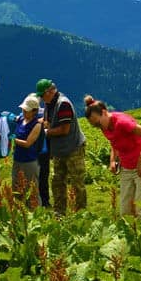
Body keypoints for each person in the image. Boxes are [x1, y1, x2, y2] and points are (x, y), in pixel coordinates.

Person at [85, 96, 141, 218]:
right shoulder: (105, 127)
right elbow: (114, 142)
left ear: (104, 112)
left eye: (97, 122)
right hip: (126, 168)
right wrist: (112, 160)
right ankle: (131, 235)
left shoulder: (122, 122)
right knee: (125, 211)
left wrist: (140, 162)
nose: (98, 127)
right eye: (94, 125)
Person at [35, 78, 87, 214]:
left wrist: (46, 132)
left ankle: (81, 213)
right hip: (59, 150)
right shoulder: (49, 103)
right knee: (57, 181)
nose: (40, 98)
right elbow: (47, 121)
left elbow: (65, 130)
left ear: (49, 92)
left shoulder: (63, 104)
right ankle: (59, 212)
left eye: (42, 95)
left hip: (73, 148)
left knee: (77, 183)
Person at [12, 94, 44, 206]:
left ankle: (36, 213)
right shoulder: (20, 119)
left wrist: (13, 140)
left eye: (27, 110)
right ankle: (18, 210)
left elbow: (28, 143)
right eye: (23, 110)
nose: (24, 112)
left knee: (32, 189)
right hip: (17, 159)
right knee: (16, 187)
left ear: (34, 111)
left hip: (29, 161)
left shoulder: (37, 125)